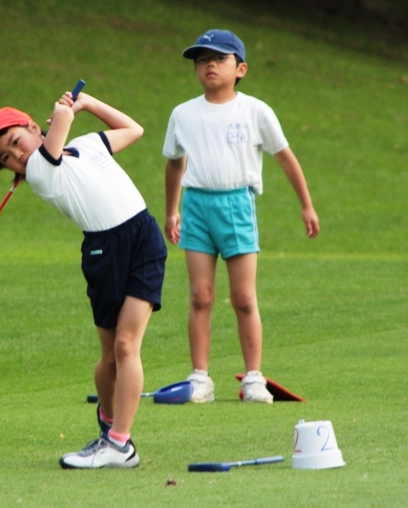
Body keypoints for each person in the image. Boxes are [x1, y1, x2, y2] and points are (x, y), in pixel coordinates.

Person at [0, 89, 167, 468]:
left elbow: (134, 129)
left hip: (144, 237)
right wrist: (64, 111)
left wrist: (89, 104)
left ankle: (119, 445)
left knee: (127, 345)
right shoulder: (38, 172)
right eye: (5, 157)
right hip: (104, 253)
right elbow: (59, 128)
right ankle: (108, 425)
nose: (16, 155)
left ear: (33, 127)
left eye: (16, 141)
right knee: (111, 355)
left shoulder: (85, 146)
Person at [162, 29, 319, 403]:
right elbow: (174, 165)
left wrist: (306, 204)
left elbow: (285, 157)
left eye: (219, 58)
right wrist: (172, 210)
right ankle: (200, 378)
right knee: (200, 295)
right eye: (202, 60)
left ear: (241, 68)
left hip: (237, 205)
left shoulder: (255, 111)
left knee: (244, 298)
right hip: (197, 206)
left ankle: (253, 378)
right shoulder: (182, 114)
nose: (209, 65)